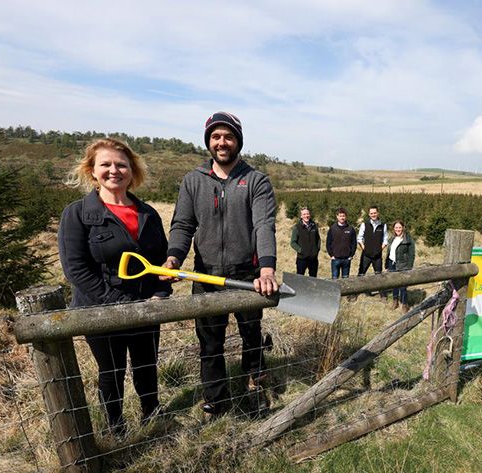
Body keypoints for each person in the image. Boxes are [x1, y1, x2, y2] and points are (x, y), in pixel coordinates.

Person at [164, 111, 277, 416]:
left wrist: (266, 268)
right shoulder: (193, 181)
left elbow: (263, 224)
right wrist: (175, 256)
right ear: (208, 142)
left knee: (251, 331)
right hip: (206, 276)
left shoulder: (256, 181)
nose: (222, 142)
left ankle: (254, 380)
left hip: (247, 275)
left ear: (238, 140)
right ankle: (216, 398)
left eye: (228, 136)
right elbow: (183, 224)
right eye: (216, 137)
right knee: (209, 341)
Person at [58, 138, 171, 437]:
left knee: (147, 365)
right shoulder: (78, 214)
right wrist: (115, 302)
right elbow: (76, 269)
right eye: (105, 164)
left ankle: (152, 418)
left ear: (132, 171)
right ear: (92, 171)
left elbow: (160, 260)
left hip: (146, 307)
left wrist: (161, 292)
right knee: (111, 370)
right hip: (99, 311)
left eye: (121, 165)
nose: (114, 171)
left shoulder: (147, 213)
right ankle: (115, 427)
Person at [357, 206, 389, 297]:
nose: (373, 215)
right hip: (366, 255)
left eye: (375, 213)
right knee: (361, 273)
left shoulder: (383, 225)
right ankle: (354, 292)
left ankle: (382, 294)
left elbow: (385, 240)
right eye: (371, 213)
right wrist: (364, 248)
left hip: (377, 256)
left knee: (378, 275)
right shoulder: (365, 224)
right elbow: (359, 238)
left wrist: (380, 249)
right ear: (369, 214)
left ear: (378, 213)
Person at [386, 220, 416, 312]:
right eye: (396, 228)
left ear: (403, 228)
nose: (398, 229)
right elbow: (389, 252)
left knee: (403, 285)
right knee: (394, 284)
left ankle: (404, 304)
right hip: (392, 263)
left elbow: (412, 254)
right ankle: (395, 301)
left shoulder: (408, 239)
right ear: (393, 229)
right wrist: (387, 263)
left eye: (399, 227)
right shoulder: (392, 238)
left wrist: (409, 266)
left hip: (403, 265)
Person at [326, 207, 357, 279]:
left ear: (346, 217)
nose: (342, 218)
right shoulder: (332, 228)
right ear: (337, 216)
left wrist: (351, 255)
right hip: (335, 259)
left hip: (347, 259)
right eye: (340, 216)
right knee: (335, 279)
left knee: (345, 280)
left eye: (343, 216)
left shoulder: (350, 229)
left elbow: (354, 243)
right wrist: (331, 255)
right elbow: (328, 243)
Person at [290, 206, 320, 277]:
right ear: (301, 216)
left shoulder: (314, 226)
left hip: (313, 258)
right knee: (300, 278)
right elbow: (293, 242)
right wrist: (301, 250)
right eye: (304, 214)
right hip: (302, 258)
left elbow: (318, 239)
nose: (306, 216)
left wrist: (316, 250)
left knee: (313, 278)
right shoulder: (297, 227)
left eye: (307, 214)